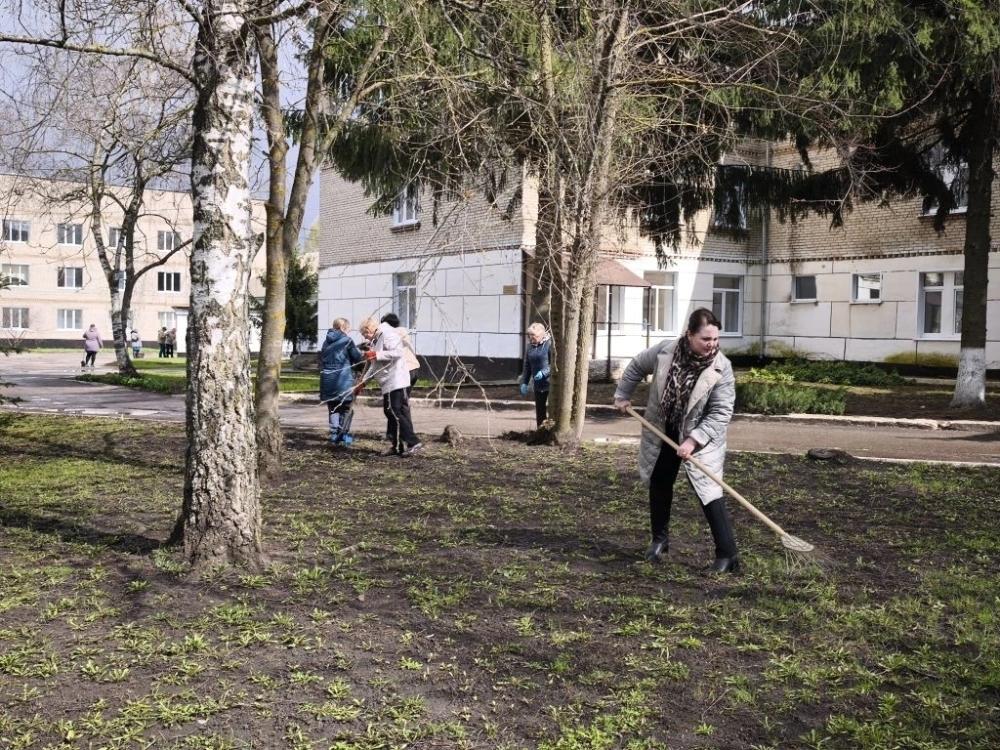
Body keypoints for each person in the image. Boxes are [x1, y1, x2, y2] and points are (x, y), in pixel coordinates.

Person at [613, 308, 739, 572]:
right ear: (689, 334)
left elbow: (720, 412)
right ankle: (660, 540)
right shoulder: (665, 352)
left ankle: (727, 554)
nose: (712, 344)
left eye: (716, 339)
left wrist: (693, 440)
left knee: (709, 490)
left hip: (702, 437)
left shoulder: (721, 367)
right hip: (664, 428)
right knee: (659, 482)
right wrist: (623, 394)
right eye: (706, 339)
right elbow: (637, 365)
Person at [359, 316, 422, 457]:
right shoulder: (376, 339)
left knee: (395, 410)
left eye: (365, 334)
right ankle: (397, 446)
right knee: (390, 411)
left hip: (397, 378)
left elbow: (398, 352)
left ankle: (413, 442)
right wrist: (363, 382)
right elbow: (374, 365)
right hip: (389, 381)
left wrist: (376, 354)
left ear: (369, 329)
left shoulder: (387, 334)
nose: (365, 337)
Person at [319, 318, 364, 446]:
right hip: (343, 380)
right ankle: (343, 435)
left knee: (333, 408)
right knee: (346, 409)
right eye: (348, 329)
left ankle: (334, 435)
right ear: (344, 328)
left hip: (327, 381)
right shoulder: (347, 340)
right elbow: (357, 358)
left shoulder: (325, 342)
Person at [519, 322, 551, 427]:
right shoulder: (530, 347)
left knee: (551, 411)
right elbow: (527, 366)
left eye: (534, 336)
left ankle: (551, 431)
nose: (531, 338)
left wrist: (544, 372)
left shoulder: (549, 344)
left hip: (551, 384)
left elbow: (555, 364)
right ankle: (541, 431)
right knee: (540, 411)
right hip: (538, 384)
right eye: (530, 336)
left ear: (542, 334)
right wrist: (524, 382)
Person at [380, 313, 420, 390]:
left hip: (405, 371)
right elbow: (411, 346)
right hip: (414, 368)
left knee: (399, 395)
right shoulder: (403, 330)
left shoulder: (389, 333)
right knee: (404, 395)